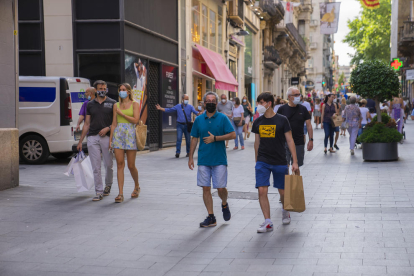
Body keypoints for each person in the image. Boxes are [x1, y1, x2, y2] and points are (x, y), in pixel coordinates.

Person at [188, 91, 236, 228]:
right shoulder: (198, 120)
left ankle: (224, 203)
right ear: (204, 103)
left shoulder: (222, 118)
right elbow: (194, 138)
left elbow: (232, 134)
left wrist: (216, 138)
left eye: (213, 101)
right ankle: (211, 216)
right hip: (203, 159)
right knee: (205, 188)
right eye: (207, 101)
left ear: (216, 103)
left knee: (221, 189)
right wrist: (190, 157)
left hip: (219, 159)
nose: (210, 103)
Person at [252, 92, 299, 232]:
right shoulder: (258, 122)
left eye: (261, 102)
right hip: (263, 161)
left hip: (279, 160)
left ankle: (285, 210)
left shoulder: (282, 120)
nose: (259, 105)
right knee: (262, 190)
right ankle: (267, 221)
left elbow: (290, 141)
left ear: (269, 103)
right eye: (258, 102)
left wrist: (294, 161)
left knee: (283, 192)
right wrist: (257, 161)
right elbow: (256, 143)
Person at [77, 80, 115, 201]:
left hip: (107, 137)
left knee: (108, 164)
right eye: (100, 88)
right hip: (92, 137)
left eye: (104, 88)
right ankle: (99, 192)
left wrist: (107, 128)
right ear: (95, 90)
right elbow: (87, 123)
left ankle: (108, 185)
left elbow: (116, 123)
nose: (103, 90)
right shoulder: (90, 104)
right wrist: (80, 141)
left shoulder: (113, 103)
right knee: (96, 166)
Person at [109, 84, 140, 203]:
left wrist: (122, 114)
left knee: (131, 165)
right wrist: (111, 139)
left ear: (128, 92)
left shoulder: (134, 104)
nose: (121, 92)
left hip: (130, 134)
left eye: (124, 90)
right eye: (120, 90)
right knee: (119, 164)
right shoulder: (116, 105)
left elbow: (136, 120)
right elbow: (114, 123)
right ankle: (120, 193)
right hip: (118, 134)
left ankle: (137, 185)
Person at [277, 87, 313, 175]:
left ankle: (295, 187)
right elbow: (277, 125)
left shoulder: (303, 109)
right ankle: (285, 187)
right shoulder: (282, 109)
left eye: (299, 94)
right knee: (284, 167)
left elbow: (309, 125)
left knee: (296, 167)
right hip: (284, 143)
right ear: (289, 97)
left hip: (298, 142)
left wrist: (311, 140)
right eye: (296, 95)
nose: (298, 96)